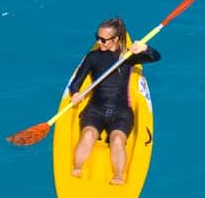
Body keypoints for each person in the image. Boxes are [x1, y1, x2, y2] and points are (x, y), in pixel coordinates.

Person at [64, 17, 160, 184]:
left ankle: (118, 175)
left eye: (103, 39)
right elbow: (76, 82)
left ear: (115, 39)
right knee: (88, 135)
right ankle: (78, 167)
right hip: (95, 108)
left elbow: (155, 57)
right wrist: (75, 93)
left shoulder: (127, 56)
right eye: (97, 37)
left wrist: (144, 48)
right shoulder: (93, 57)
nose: (98, 42)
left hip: (121, 112)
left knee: (117, 140)